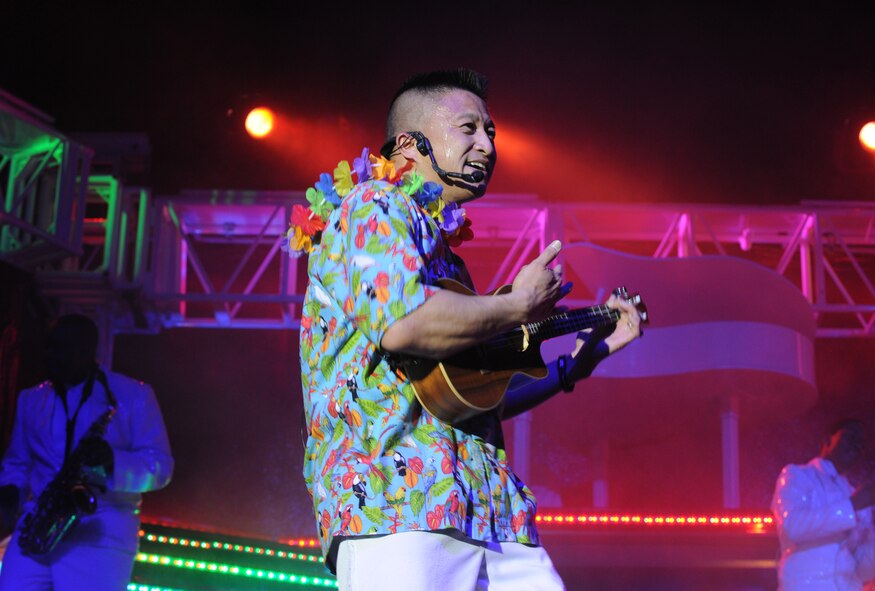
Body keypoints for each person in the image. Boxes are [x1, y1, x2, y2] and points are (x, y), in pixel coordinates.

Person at [294, 68, 642, 590]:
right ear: (410, 144)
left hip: (492, 513)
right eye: (469, 128)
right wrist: (519, 304)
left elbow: (479, 398)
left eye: (492, 132)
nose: (488, 144)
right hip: (397, 509)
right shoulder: (370, 208)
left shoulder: (450, 265)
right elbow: (404, 323)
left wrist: (581, 362)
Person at [0, 314, 174, 591]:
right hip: (36, 530)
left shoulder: (133, 395)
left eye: (60, 348)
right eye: (49, 346)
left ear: (86, 351)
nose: (49, 355)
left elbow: (161, 467)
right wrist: (10, 489)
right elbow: (17, 462)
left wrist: (112, 461)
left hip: (100, 535)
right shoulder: (30, 398)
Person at [771, 418, 875, 590]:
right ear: (827, 440)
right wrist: (852, 506)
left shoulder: (853, 493)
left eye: (859, 444)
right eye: (850, 438)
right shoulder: (797, 475)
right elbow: (791, 527)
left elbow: (863, 571)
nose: (855, 446)